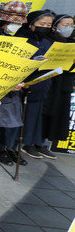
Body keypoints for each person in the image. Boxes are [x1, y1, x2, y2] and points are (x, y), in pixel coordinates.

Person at [0, 1, 29, 167]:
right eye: (14, 23)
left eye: (19, 23)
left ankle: (6, 148)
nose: (17, 26)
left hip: (13, 87)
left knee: (8, 122)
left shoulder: (18, 38)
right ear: (3, 21)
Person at [16, 10, 56, 159]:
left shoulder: (46, 41)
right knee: (25, 116)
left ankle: (33, 142)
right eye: (42, 24)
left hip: (43, 84)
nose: (46, 27)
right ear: (31, 24)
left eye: (49, 24)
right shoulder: (22, 39)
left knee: (37, 116)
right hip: (26, 85)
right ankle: (19, 145)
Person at [42, 14, 75, 146]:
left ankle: (45, 143)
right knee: (45, 113)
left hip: (64, 84)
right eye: (65, 25)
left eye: (71, 26)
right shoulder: (47, 41)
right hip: (50, 83)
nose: (69, 28)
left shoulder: (72, 43)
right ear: (55, 27)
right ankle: (34, 142)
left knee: (58, 115)